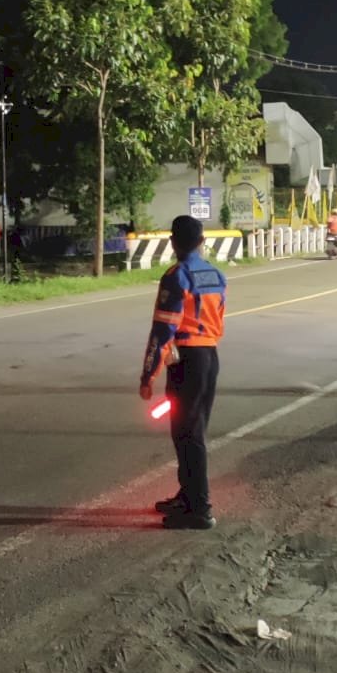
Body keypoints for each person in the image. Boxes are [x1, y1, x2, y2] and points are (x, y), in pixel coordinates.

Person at [139, 214, 226, 529]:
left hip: (187, 360)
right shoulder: (216, 274)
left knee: (187, 434)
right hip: (209, 357)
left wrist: (148, 375)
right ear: (202, 242)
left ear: (173, 242)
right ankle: (188, 495)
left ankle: (199, 508)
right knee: (191, 431)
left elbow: (163, 330)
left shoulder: (176, 277)